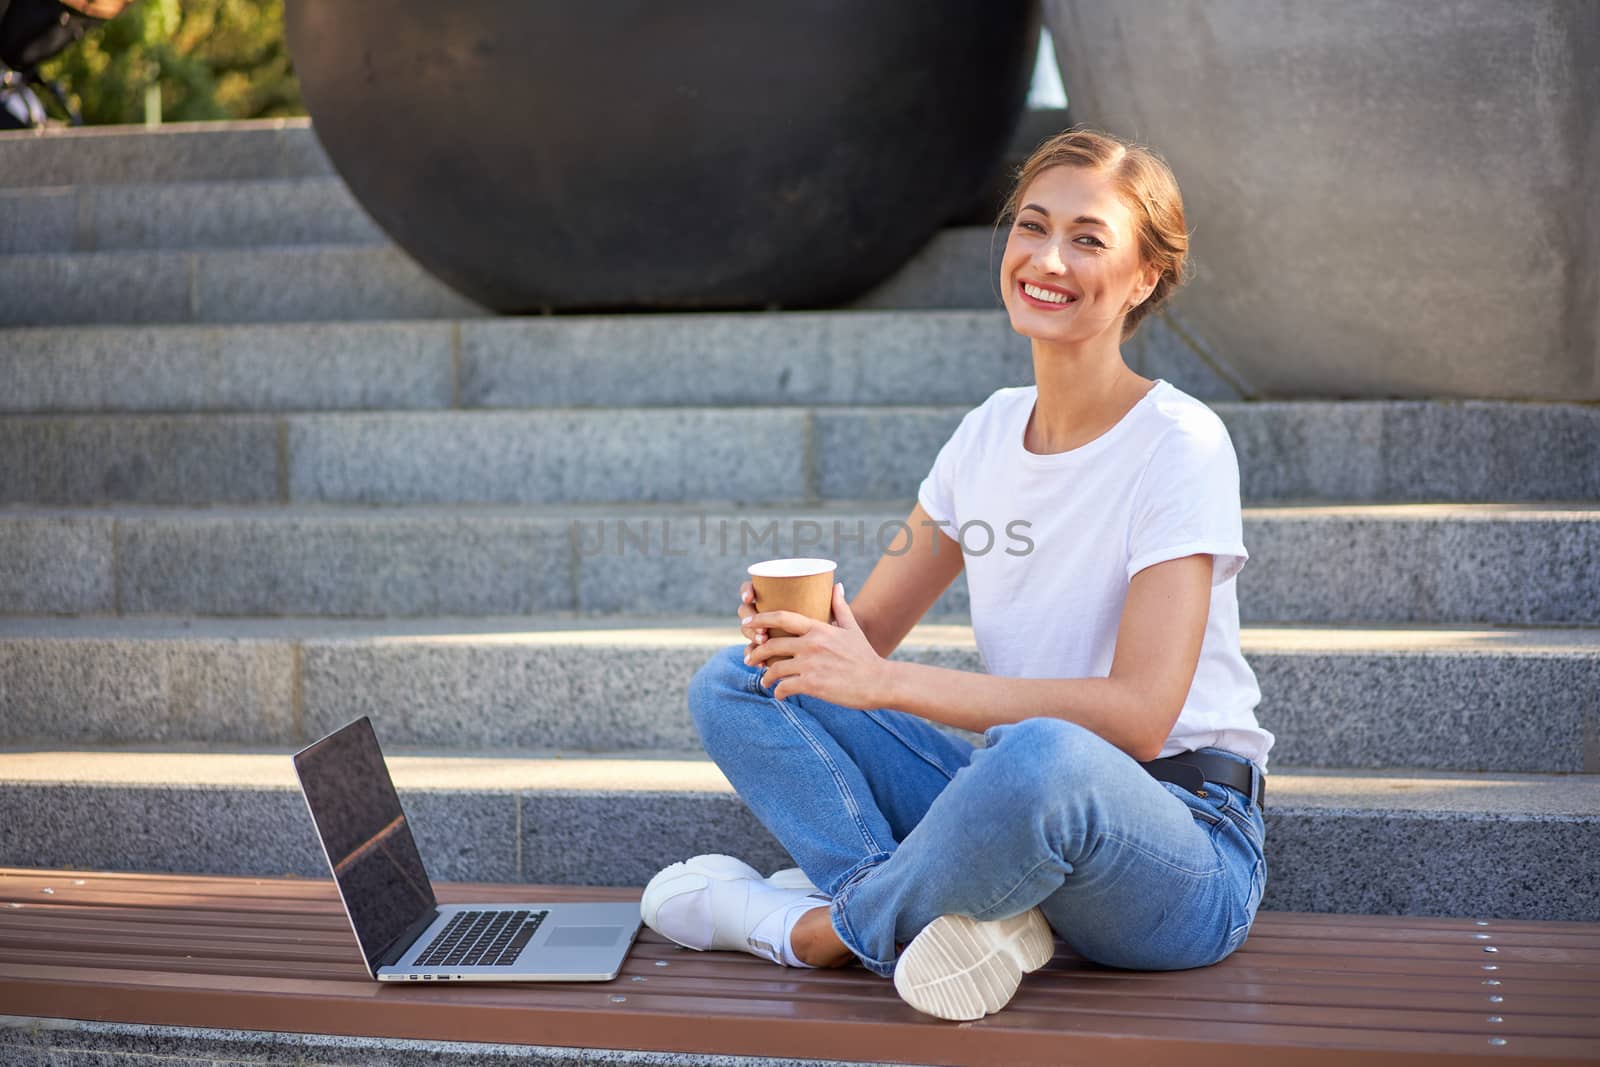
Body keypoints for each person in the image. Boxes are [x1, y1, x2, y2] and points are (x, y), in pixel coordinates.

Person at [640, 128, 1273, 1021]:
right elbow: (866, 644)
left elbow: (1140, 717)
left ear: (1144, 279)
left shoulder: (1180, 444)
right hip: (1012, 803)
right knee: (742, 681)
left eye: (1089, 239)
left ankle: (812, 930)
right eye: (1031, 226)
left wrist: (886, 680)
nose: (1047, 258)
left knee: (1043, 752)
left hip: (1182, 843)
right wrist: (806, 625)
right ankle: (936, 911)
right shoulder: (985, 435)